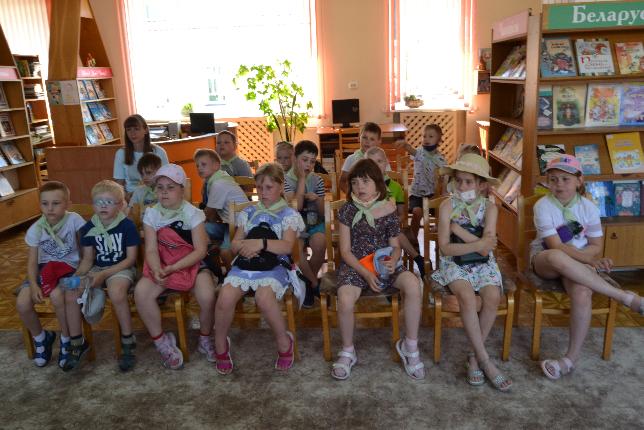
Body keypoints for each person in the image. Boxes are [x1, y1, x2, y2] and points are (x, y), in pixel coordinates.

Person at [530, 155, 643, 380]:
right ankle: (623, 297)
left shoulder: (589, 207)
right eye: (553, 179)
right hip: (546, 259)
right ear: (547, 182)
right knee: (556, 255)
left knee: (582, 292)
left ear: (579, 180)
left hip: (579, 262)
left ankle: (569, 360)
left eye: (565, 179)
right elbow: (555, 246)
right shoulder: (542, 206)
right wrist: (589, 261)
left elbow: (596, 245)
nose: (559, 184)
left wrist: (586, 258)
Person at [332, 158, 425, 380]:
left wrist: (394, 259)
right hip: (356, 266)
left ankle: (410, 346)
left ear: (377, 184)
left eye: (365, 181)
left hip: (383, 264)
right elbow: (345, 251)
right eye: (355, 182)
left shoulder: (388, 209)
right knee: (345, 298)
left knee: (413, 284)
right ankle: (348, 350)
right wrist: (365, 273)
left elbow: (396, 246)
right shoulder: (347, 211)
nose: (359, 187)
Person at [430, 153, 512, 391]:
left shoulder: (490, 208)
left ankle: (474, 357)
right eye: (458, 181)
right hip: (454, 264)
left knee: (492, 296)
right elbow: (445, 248)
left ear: (481, 185)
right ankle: (484, 359)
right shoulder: (447, 206)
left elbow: (487, 250)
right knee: (466, 297)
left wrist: (458, 230)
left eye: (468, 182)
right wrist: (478, 243)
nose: (462, 186)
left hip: (483, 265)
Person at [213, 163, 304, 375]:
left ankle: (284, 341)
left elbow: (286, 246)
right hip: (247, 263)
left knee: (264, 298)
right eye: (260, 188)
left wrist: (260, 244)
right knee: (225, 297)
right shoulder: (249, 212)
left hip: (275, 265)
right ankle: (220, 343)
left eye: (269, 187)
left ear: (281, 186)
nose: (263, 192)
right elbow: (235, 243)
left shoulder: (288, 214)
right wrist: (244, 247)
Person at [134, 164, 217, 370]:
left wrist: (174, 267)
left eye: (170, 187)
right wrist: (156, 269)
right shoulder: (151, 214)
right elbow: (151, 249)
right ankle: (161, 341)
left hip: (191, 262)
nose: (164, 192)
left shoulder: (193, 213)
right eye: (160, 187)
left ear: (182, 190)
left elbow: (200, 251)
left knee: (207, 296)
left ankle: (205, 337)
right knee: (141, 293)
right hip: (162, 263)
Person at [15, 181, 86, 369]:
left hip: (69, 268)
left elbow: (84, 251)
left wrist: (81, 274)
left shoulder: (74, 220)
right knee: (22, 303)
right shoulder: (36, 229)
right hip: (43, 270)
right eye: (45, 203)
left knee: (57, 296)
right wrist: (33, 284)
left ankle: (66, 338)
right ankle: (41, 338)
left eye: (56, 203)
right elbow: (32, 262)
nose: (50, 208)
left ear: (68, 204)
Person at [74, 180, 140, 371]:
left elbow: (130, 259)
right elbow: (87, 260)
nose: (103, 206)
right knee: (73, 290)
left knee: (117, 292)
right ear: (92, 204)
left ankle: (128, 340)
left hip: (121, 268)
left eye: (109, 202)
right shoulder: (88, 228)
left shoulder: (127, 226)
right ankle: (76, 340)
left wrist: (104, 274)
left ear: (120, 205)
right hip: (97, 268)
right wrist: (77, 277)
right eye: (98, 201)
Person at [365, 147, 425, 278]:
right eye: (371, 163)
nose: (376, 166)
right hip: (369, 228)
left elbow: (402, 214)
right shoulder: (363, 187)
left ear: (386, 163)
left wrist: (392, 221)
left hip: (390, 227)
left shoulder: (396, 187)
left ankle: (415, 261)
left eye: (379, 161)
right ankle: (416, 258)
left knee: (393, 231)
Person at [284, 140, 326, 308]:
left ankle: (307, 282)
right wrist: (301, 180)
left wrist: (317, 200)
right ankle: (314, 284)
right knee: (297, 249)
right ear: (295, 158)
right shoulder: (286, 180)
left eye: (312, 161)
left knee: (320, 244)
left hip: (314, 222)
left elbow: (323, 213)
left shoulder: (318, 180)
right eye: (305, 160)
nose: (308, 164)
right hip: (294, 225)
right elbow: (297, 207)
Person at [194, 148, 248, 268]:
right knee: (200, 228)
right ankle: (215, 266)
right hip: (229, 223)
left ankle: (232, 274)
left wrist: (194, 217)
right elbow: (212, 215)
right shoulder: (216, 179)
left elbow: (209, 213)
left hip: (240, 225)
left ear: (216, 165)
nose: (199, 168)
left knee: (224, 251)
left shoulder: (218, 183)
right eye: (197, 165)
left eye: (203, 164)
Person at [395, 124, 447, 244]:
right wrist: (405, 145)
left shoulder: (440, 159)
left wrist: (443, 187)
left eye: (431, 136)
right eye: (424, 136)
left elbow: (445, 176)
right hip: (417, 194)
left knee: (445, 211)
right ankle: (413, 239)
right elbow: (411, 149)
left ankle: (438, 231)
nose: (426, 139)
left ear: (439, 140)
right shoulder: (419, 152)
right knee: (417, 212)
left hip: (432, 195)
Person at [113, 114, 169, 196]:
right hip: (130, 196)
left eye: (136, 129)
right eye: (129, 130)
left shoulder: (159, 152)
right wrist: (126, 197)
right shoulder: (121, 153)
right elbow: (119, 184)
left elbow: (166, 179)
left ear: (146, 130)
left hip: (155, 195)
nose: (132, 133)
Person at [339, 122, 390, 194]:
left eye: (372, 139)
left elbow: (388, 181)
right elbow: (342, 181)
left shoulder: (381, 160)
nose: (367, 141)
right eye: (364, 137)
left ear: (379, 141)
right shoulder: (351, 159)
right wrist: (352, 195)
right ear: (359, 138)